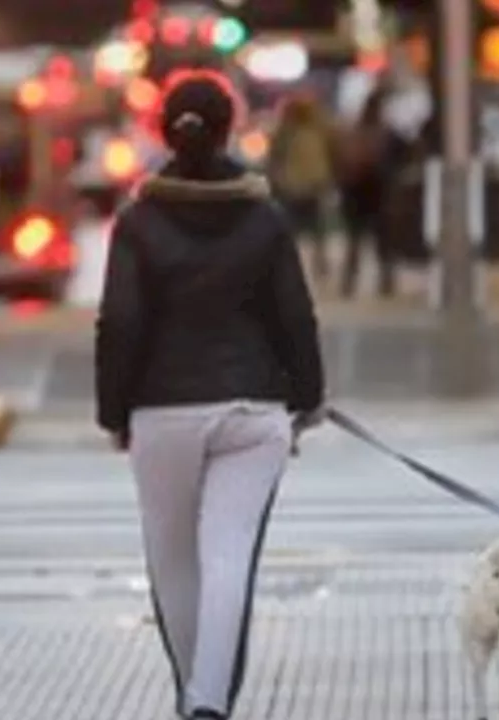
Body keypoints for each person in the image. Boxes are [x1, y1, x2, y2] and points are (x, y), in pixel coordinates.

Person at [94, 68, 326, 720]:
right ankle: (207, 701)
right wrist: (308, 398)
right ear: (232, 128)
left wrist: (114, 413)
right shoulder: (264, 216)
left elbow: (121, 324)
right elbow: (295, 315)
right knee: (228, 555)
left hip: (161, 411)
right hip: (253, 411)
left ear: (163, 130)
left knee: (172, 555)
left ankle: (196, 694)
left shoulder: (138, 222)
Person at [335, 87, 404, 299]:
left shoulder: (353, 132)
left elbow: (340, 163)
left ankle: (348, 283)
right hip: (378, 192)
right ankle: (386, 283)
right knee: (382, 242)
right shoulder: (386, 133)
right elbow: (402, 156)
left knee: (355, 242)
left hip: (354, 194)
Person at [267, 90, 336, 278]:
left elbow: (274, 160)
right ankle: (317, 267)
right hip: (308, 186)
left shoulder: (290, 132)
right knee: (314, 232)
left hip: (299, 187)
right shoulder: (316, 131)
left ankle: (303, 267)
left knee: (300, 232)